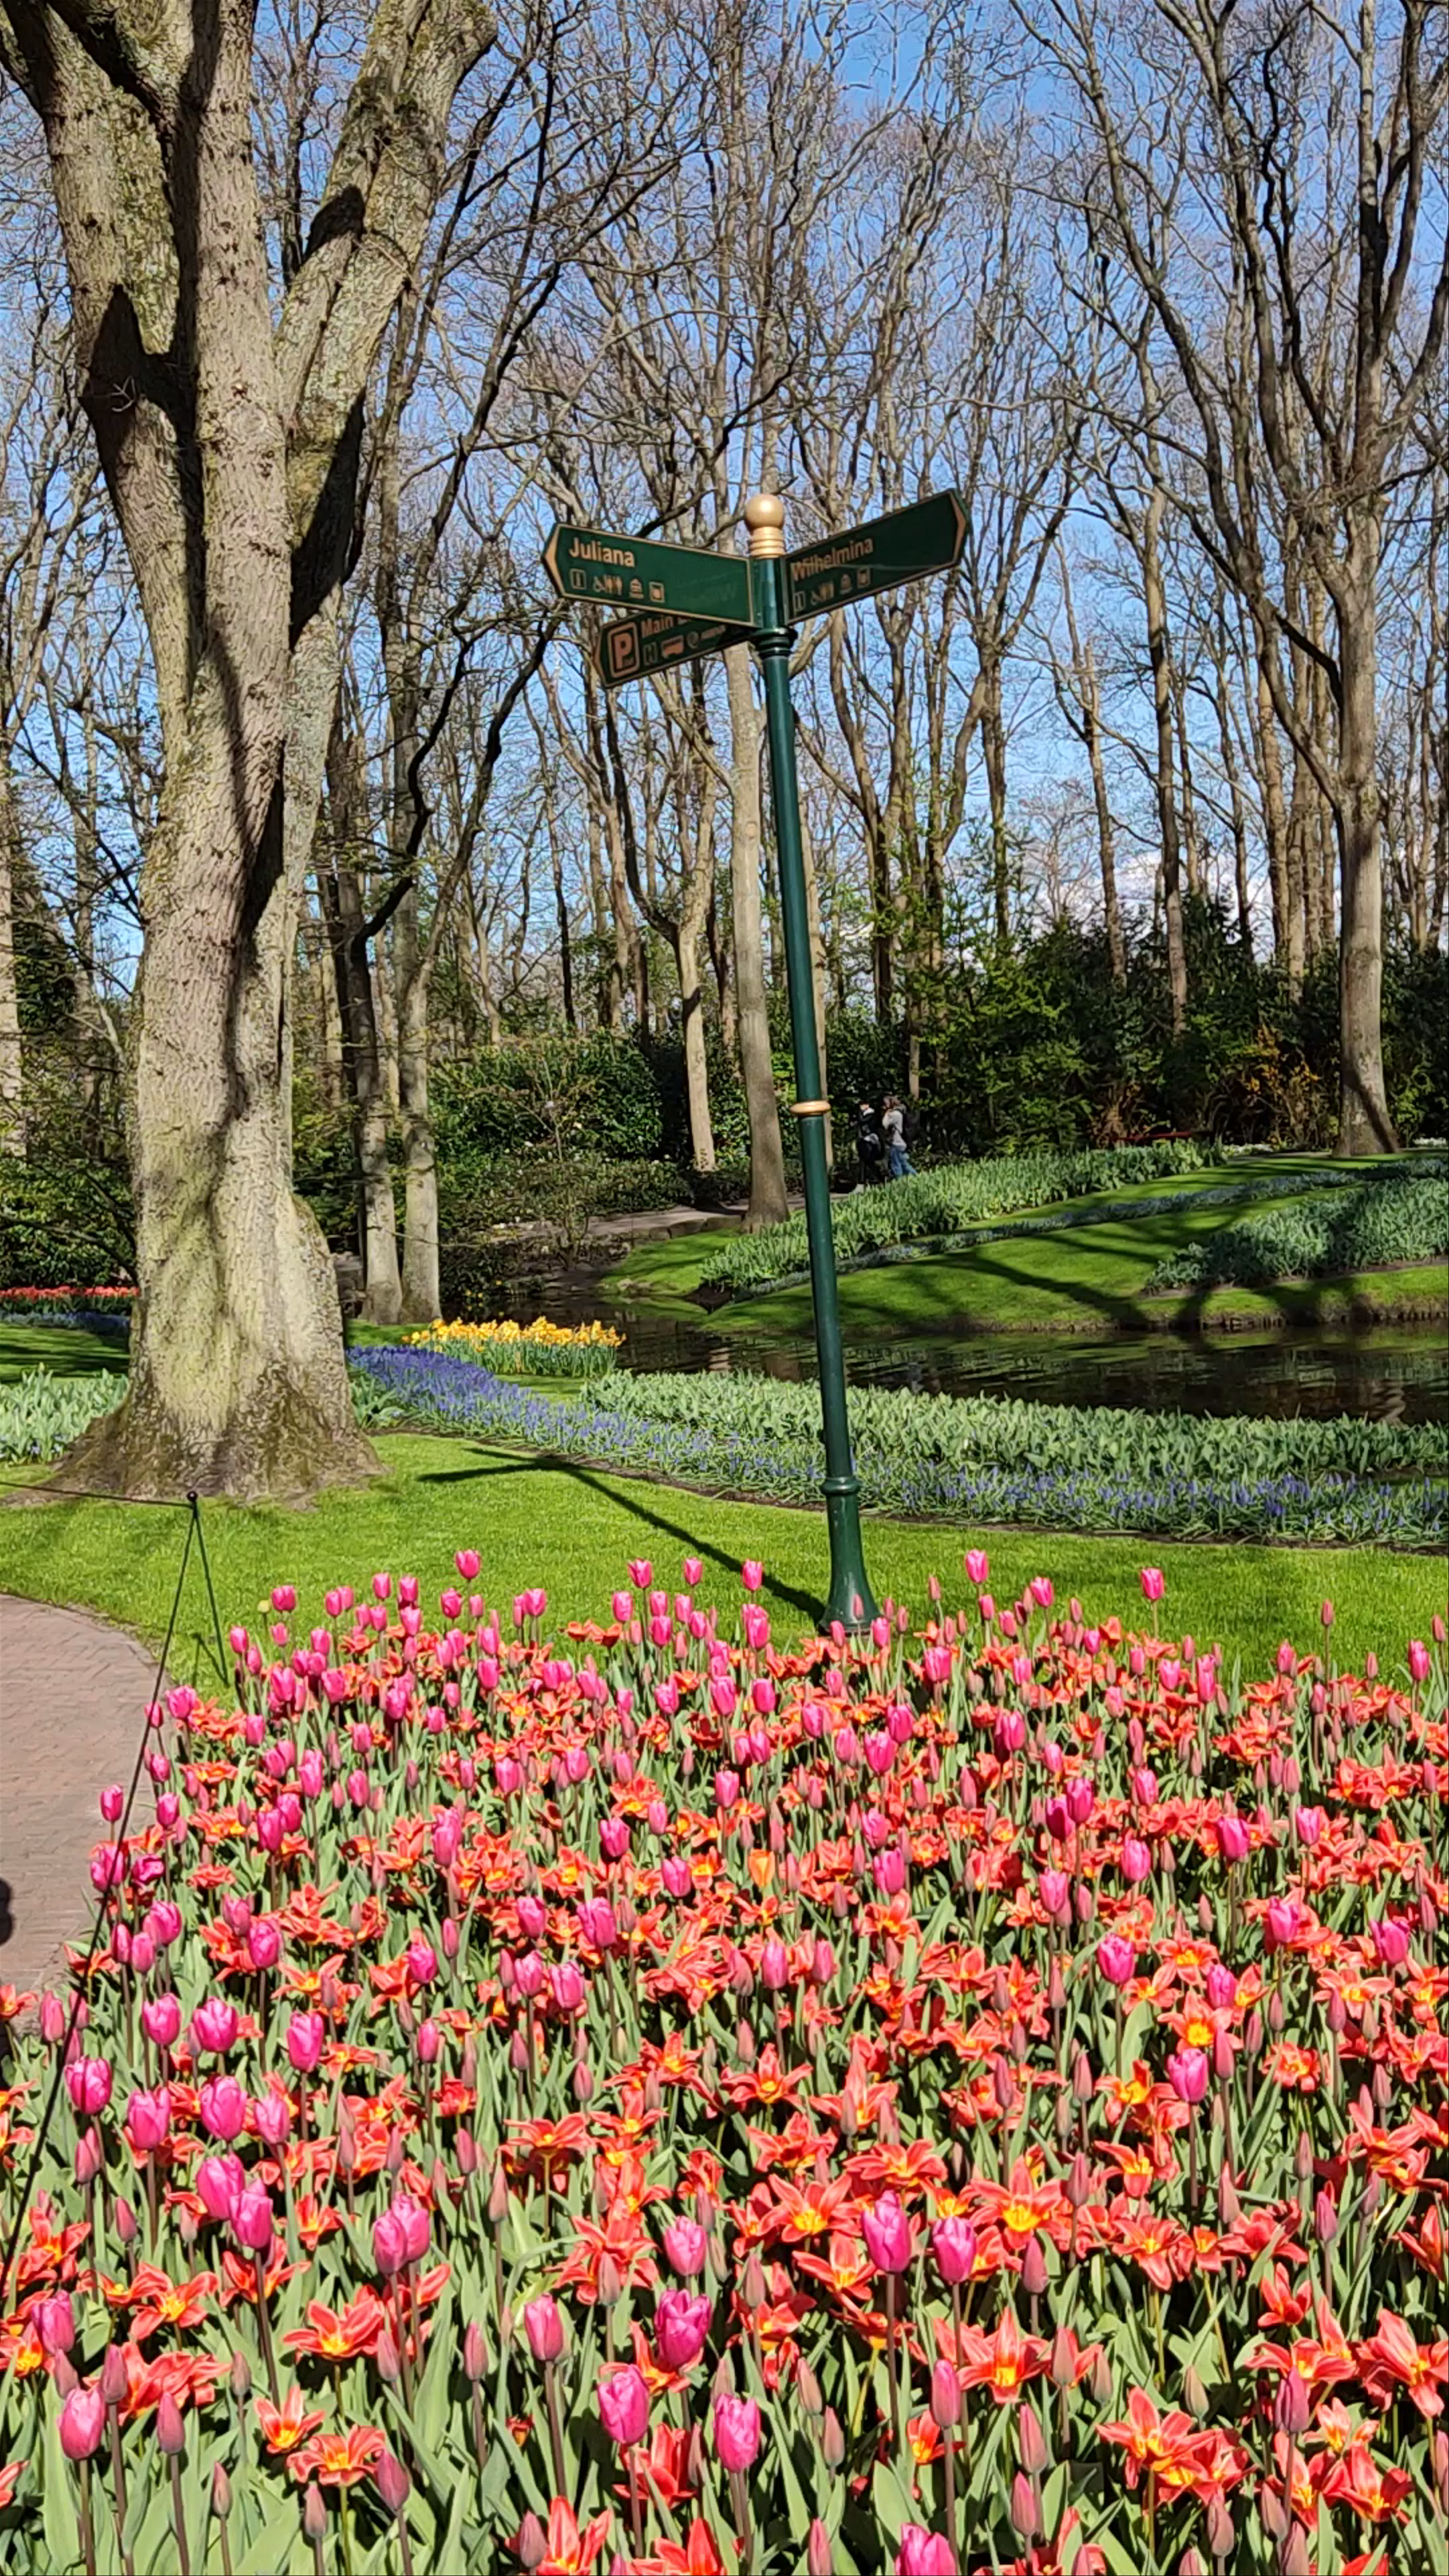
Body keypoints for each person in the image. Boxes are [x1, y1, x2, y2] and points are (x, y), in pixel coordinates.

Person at [882, 1094, 915, 1180]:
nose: (885, 1106)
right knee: (904, 1164)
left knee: (896, 1164)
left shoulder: (895, 1114)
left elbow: (885, 1124)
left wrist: (887, 1114)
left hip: (897, 1142)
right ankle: (917, 1177)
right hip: (903, 1142)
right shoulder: (902, 1112)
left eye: (886, 1104)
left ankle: (899, 1182)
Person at [855, 1100, 884, 1190]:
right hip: (864, 1139)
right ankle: (863, 1182)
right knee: (864, 1161)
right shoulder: (865, 1114)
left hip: (870, 1140)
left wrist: (859, 1113)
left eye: (863, 1105)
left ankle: (878, 1178)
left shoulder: (871, 1114)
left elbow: (862, 1121)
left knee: (869, 1161)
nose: (861, 1107)